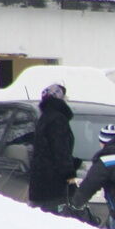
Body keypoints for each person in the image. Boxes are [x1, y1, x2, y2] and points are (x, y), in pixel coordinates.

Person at [29, 83, 80, 213]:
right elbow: (60, 151)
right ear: (59, 99)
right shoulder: (58, 120)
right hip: (54, 187)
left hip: (39, 185)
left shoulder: (44, 118)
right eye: (65, 97)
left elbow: (46, 150)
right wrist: (70, 176)